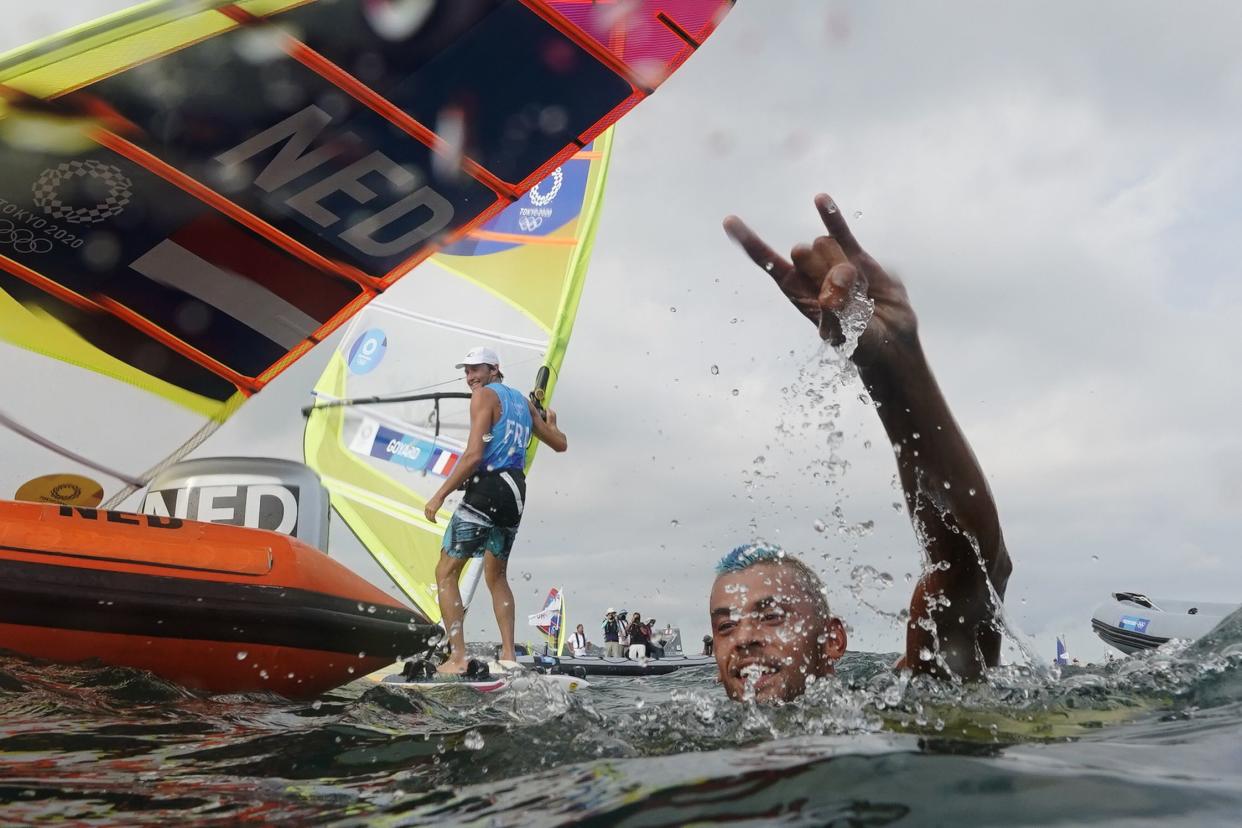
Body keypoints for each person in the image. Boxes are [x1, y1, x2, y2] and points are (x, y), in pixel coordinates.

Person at [711, 194, 1012, 702]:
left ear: (833, 641)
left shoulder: (889, 711)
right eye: (724, 627)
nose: (744, 639)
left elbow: (973, 566)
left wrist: (894, 368)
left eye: (770, 615)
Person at [424, 346, 568, 674]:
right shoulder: (522, 402)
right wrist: (552, 422)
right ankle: (508, 656)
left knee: (445, 573)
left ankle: (457, 657)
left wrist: (439, 495)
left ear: (494, 369)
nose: (471, 377)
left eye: (477, 369)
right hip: (516, 491)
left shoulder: (484, 396)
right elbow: (560, 443)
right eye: (467, 371)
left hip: (488, 487)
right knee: (497, 575)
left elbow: (474, 455)